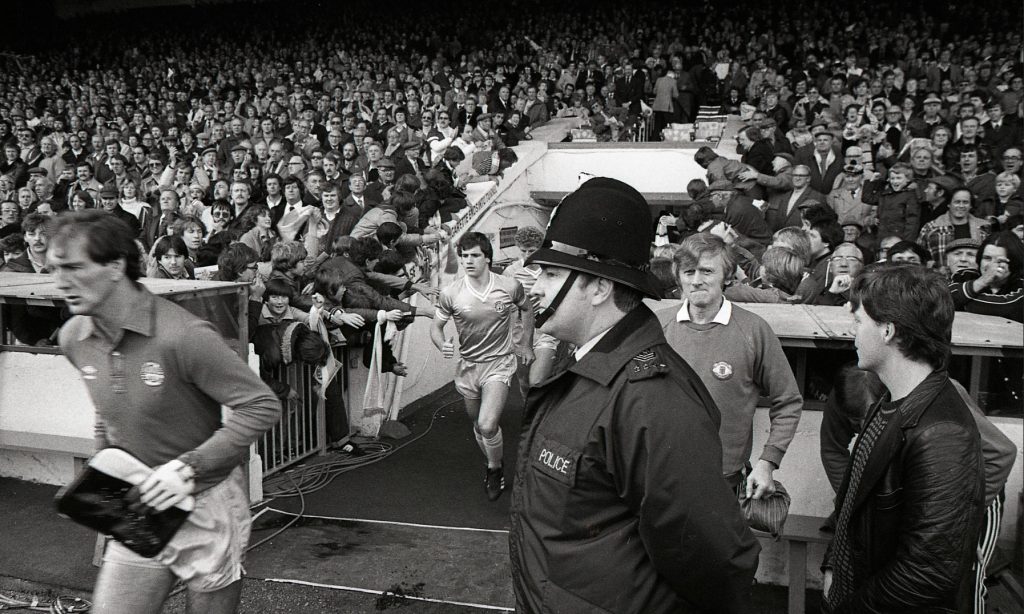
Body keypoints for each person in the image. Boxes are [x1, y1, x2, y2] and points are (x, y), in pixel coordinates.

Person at [510, 177, 759, 614]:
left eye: (550, 274)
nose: (536, 288)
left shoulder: (651, 399)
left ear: (600, 288)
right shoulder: (592, 370)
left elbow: (711, 553)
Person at [50, 210, 281, 614]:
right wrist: (101, 477)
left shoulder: (184, 335)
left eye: (73, 268)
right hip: (138, 502)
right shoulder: (73, 337)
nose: (60, 281)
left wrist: (188, 467)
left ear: (115, 266)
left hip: (207, 501)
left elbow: (261, 405)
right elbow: (108, 412)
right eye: (55, 269)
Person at [822, 265, 984, 613]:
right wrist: (832, 564)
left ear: (888, 330)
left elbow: (926, 574)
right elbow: (853, 503)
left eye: (859, 321)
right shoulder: (889, 400)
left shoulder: (943, 434)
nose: (852, 332)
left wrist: (851, 607)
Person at [659, 233, 803, 497]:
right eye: (689, 271)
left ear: (726, 276)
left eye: (707, 271)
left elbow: (788, 400)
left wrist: (768, 462)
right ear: (678, 276)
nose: (697, 280)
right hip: (660, 476)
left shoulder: (753, 330)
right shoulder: (657, 327)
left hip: (724, 481)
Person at [431, 232, 534, 501]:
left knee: (488, 425)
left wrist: (525, 342)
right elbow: (436, 326)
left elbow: (527, 309)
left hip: (499, 364)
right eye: (464, 256)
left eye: (474, 255)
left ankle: (494, 468)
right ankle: (493, 459)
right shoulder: (451, 292)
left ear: (487, 258)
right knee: (478, 425)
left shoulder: (509, 286)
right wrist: (441, 343)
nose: (468, 260)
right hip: (468, 366)